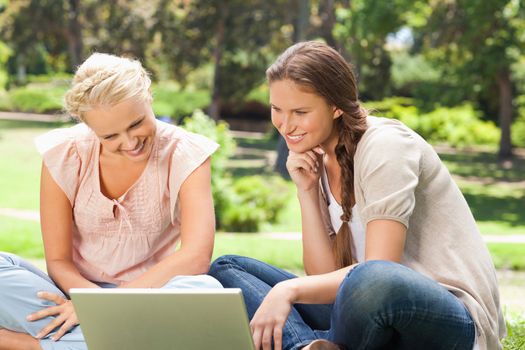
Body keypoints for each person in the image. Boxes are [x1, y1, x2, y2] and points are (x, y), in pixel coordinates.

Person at [209, 41, 506, 350]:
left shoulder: (385, 146)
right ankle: (307, 348)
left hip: (447, 316)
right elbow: (325, 276)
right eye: (277, 109)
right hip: (367, 308)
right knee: (227, 267)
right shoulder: (319, 156)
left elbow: (380, 270)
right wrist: (307, 191)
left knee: (370, 279)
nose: (286, 125)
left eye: (300, 111)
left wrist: (289, 290)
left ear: (337, 106)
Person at [0, 53, 222, 350]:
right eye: (110, 136)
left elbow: (195, 257)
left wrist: (103, 308)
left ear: (149, 97)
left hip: (151, 298)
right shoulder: (65, 152)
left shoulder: (186, 153)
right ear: (89, 127)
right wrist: (90, 304)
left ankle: (25, 344)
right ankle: (124, 342)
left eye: (136, 123)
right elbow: (58, 261)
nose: (130, 143)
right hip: (73, 295)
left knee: (204, 291)